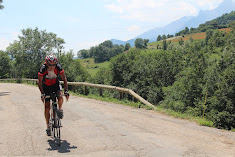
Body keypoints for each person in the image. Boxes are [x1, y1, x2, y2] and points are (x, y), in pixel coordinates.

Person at [37, 54, 69, 136]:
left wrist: (66, 91)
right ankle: (48, 126)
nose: (52, 67)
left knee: (60, 96)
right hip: (46, 86)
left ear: (56, 63)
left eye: (53, 65)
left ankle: (60, 109)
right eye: (50, 65)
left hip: (55, 84)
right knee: (47, 106)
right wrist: (42, 93)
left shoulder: (58, 67)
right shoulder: (43, 69)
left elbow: (64, 78)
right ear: (46, 63)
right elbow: (39, 82)